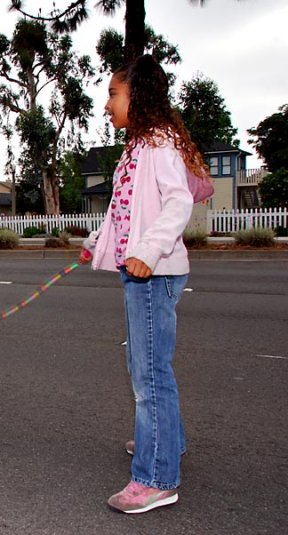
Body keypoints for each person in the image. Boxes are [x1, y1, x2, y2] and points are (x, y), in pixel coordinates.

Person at [79, 55, 211, 514]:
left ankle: (156, 477)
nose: (107, 104)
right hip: (142, 269)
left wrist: (149, 252)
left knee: (149, 375)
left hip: (153, 272)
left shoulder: (158, 145)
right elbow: (125, 210)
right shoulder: (139, 146)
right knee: (147, 367)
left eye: (114, 94)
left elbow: (176, 205)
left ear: (140, 96)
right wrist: (98, 243)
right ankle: (163, 441)